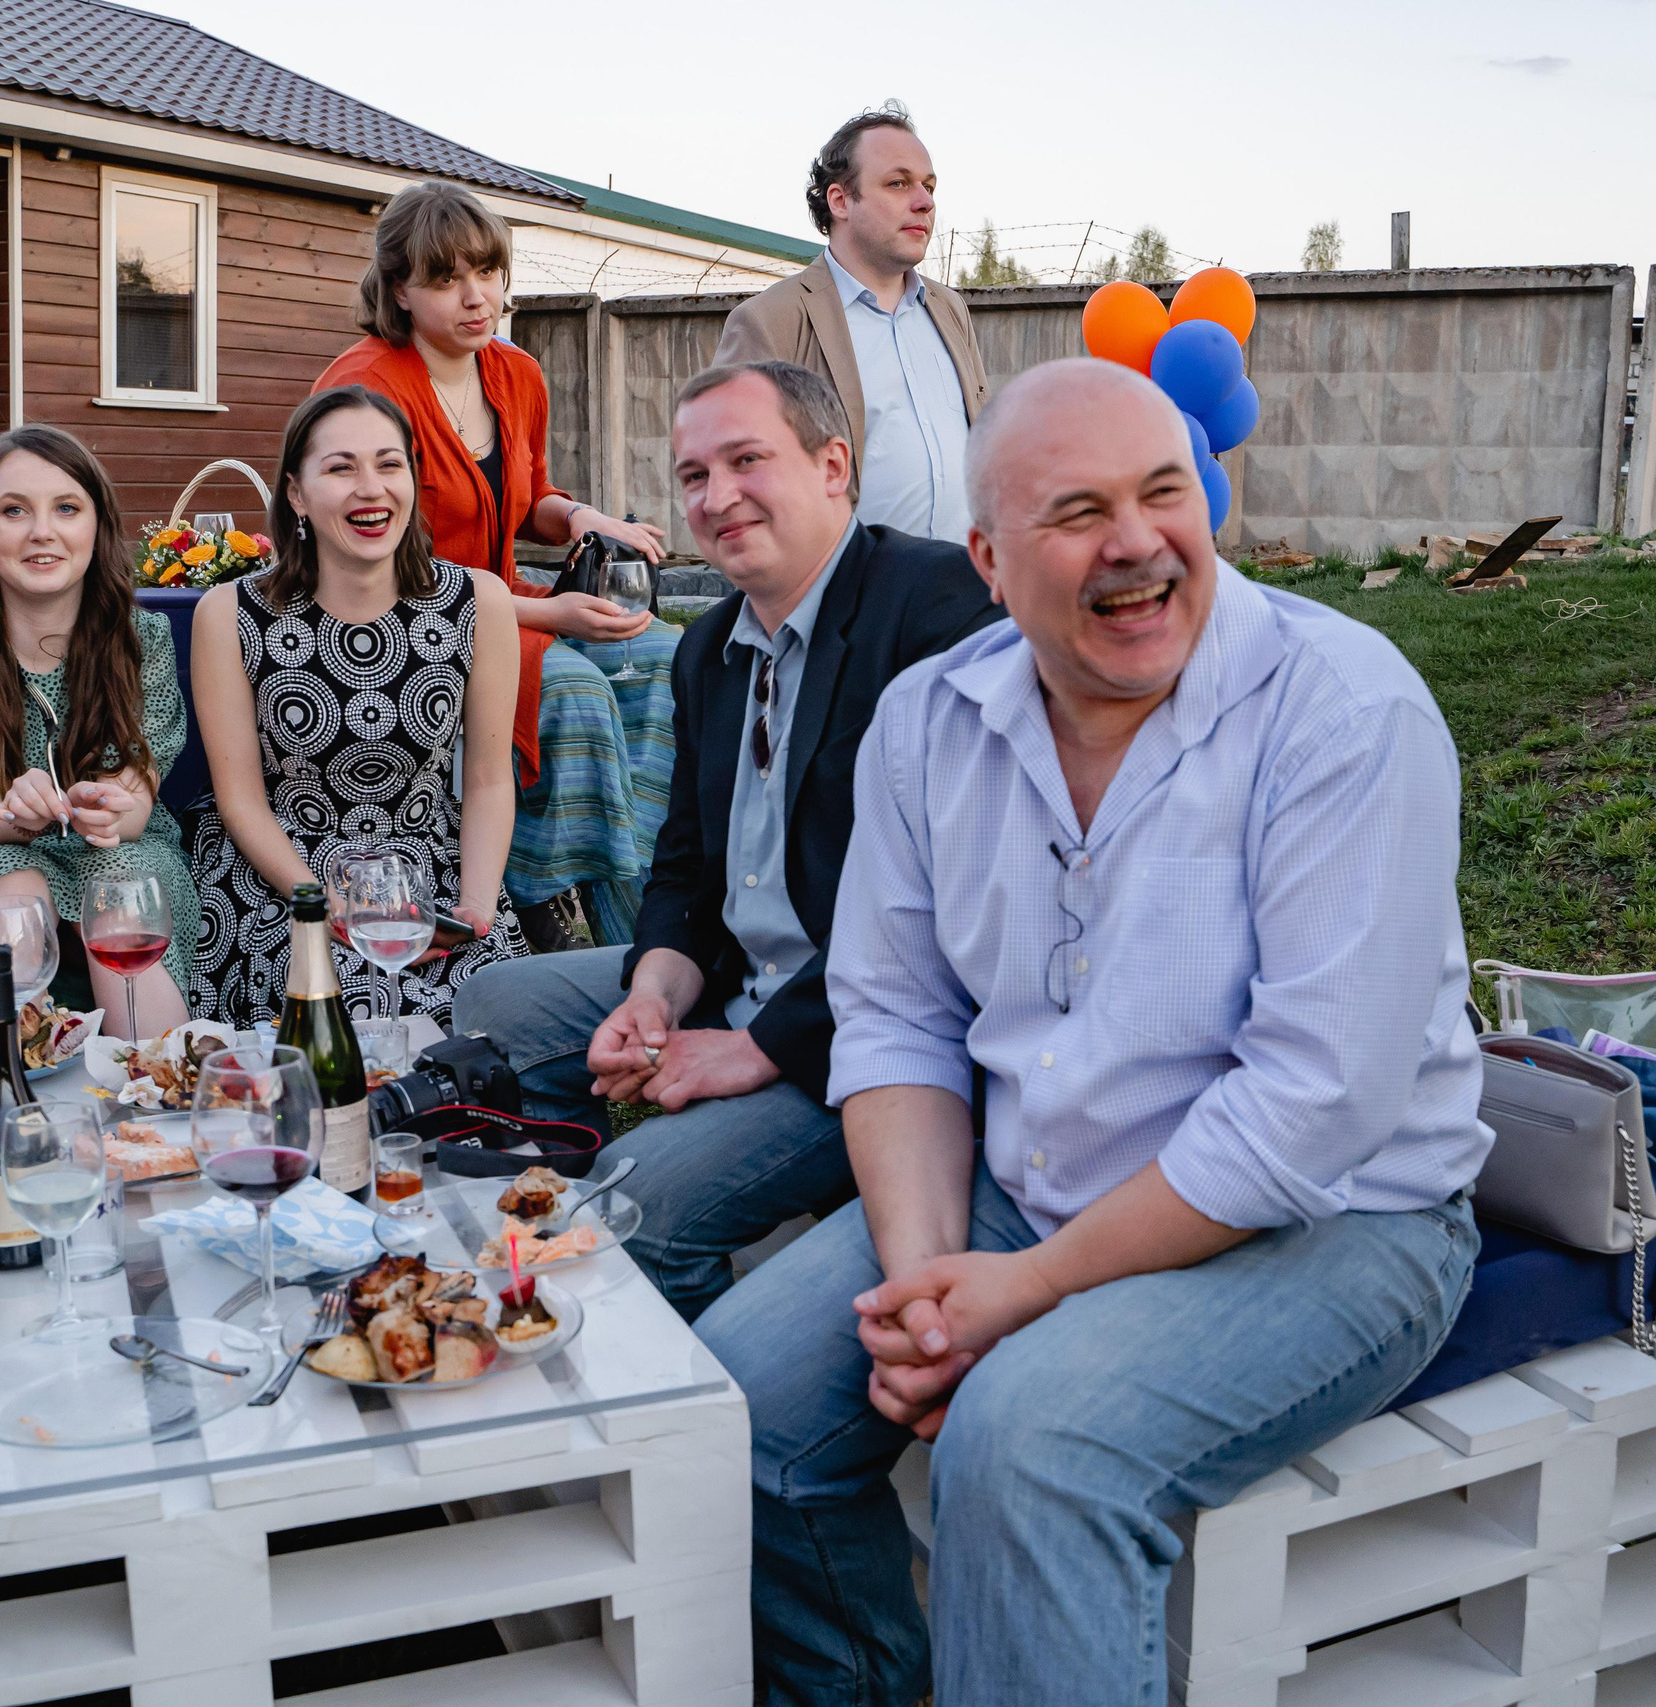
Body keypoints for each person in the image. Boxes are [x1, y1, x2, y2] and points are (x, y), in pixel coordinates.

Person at [696, 360, 1491, 1705]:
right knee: (737, 1407)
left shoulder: (1344, 710)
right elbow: (895, 1017)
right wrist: (932, 1286)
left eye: (1163, 492)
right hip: (1034, 1182)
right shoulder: (931, 721)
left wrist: (1032, 1290)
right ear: (991, 562)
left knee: (1022, 1445)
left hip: (1341, 1223)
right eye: (1078, 511)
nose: (1135, 542)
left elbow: (1310, 1109)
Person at [456, 361, 1003, 1323]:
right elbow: (684, 868)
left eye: (747, 459)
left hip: (873, 1031)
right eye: (695, 476)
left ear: (834, 465)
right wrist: (654, 996)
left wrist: (754, 1048)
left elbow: (962, 915)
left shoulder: (934, 607)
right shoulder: (707, 648)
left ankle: (694, 1379)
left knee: (643, 1194)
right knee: (495, 1002)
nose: (717, 497)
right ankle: (560, 1264)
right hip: (739, 973)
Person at [314, 181, 677, 950]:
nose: (477, 297)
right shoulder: (366, 386)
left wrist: (584, 518)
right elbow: (376, 569)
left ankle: (637, 884)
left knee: (668, 658)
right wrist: (550, 615)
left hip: (503, 603)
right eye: (446, 279)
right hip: (399, 624)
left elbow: (529, 496)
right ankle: (544, 899)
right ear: (400, 290)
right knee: (574, 689)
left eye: (487, 271)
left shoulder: (515, 374)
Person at [187, 386, 526, 1030]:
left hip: (430, 868)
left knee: (487, 1033)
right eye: (341, 468)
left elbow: (486, 778)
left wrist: (475, 909)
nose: (371, 489)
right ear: (296, 494)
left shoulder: (481, 603)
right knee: (329, 1027)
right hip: (284, 872)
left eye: (389, 464)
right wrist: (321, 901)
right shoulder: (229, 615)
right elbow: (240, 800)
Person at [0, 425, 199, 1032]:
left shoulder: (142, 640)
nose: (42, 532)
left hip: (121, 850)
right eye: (13, 510)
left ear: (97, 525)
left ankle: (149, 1094)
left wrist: (103, 807)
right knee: (12, 892)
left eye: (66, 508)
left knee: (119, 890)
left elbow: (133, 809)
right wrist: (16, 812)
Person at [713, 102, 988, 542]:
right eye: (898, 183)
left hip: (968, 590)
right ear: (840, 200)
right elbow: (731, 481)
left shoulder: (950, 310)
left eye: (929, 186)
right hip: (850, 601)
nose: (925, 202)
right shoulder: (771, 322)